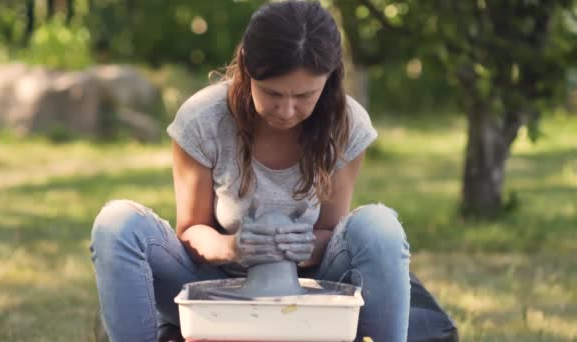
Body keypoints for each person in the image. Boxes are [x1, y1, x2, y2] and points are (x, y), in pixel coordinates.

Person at [90, 1, 457, 342]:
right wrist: (233, 247)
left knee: (379, 227)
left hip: (310, 291)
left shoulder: (346, 124)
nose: (286, 110)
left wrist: (299, 246)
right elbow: (190, 231)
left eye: (303, 96)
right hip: (217, 289)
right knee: (118, 225)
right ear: (247, 68)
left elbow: (333, 230)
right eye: (272, 93)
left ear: (328, 80)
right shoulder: (203, 119)